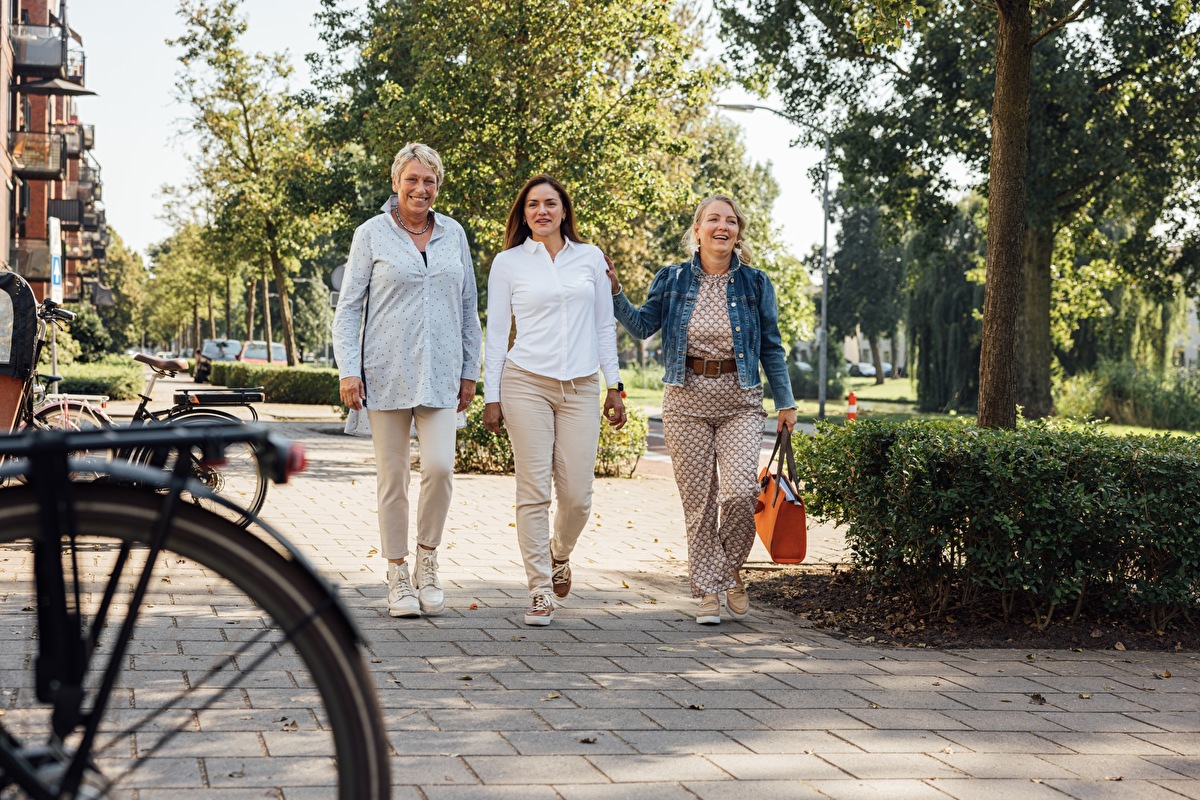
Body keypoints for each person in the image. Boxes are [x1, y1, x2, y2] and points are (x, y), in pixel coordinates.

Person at [607, 194, 797, 625]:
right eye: (713, 219)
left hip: (740, 400)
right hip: (685, 401)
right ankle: (709, 591)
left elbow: (771, 347)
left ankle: (727, 569)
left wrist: (785, 401)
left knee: (740, 493)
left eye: (730, 221)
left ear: (738, 233)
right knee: (699, 503)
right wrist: (616, 291)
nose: (722, 227)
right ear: (697, 230)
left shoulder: (755, 283)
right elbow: (642, 325)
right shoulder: (672, 278)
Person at [332, 142, 482, 618]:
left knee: (440, 468)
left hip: (441, 373)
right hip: (385, 372)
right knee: (392, 478)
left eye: (429, 181)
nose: (421, 188)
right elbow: (348, 308)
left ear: (438, 186)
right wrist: (348, 370)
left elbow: (468, 307)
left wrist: (470, 371)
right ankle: (397, 573)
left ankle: (427, 560)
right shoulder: (370, 234)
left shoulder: (454, 233)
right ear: (395, 182)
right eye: (412, 179)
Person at [483, 174, 626, 626]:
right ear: (523, 215)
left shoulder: (591, 258)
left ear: (564, 210)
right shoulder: (508, 263)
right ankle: (540, 590)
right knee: (533, 490)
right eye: (532, 205)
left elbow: (604, 326)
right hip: (525, 382)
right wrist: (491, 396)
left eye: (549, 203)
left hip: (581, 387)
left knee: (578, 497)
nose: (541, 211)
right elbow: (496, 334)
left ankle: (559, 553)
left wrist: (615, 385)